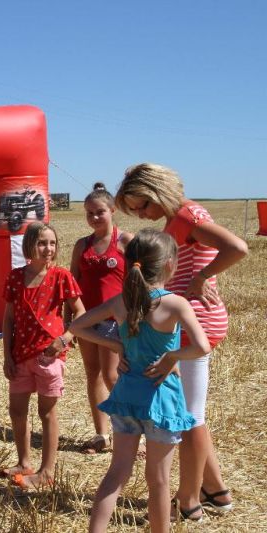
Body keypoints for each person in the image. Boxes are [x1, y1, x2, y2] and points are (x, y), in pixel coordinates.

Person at [116, 163, 248, 518]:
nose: (142, 213)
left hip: (194, 326)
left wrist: (202, 276)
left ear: (157, 191)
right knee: (189, 412)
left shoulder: (188, 216)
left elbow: (237, 247)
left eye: (143, 205)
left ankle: (189, 501)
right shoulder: (179, 219)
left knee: (190, 417)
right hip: (186, 325)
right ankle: (216, 490)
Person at [70, 229, 211, 532]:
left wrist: (116, 345)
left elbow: (78, 326)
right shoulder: (175, 304)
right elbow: (202, 346)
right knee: (159, 481)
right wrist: (172, 358)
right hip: (162, 401)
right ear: (170, 265)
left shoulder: (120, 302)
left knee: (116, 472)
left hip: (125, 398)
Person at [0, 222, 85, 490]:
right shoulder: (15, 277)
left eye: (52, 243)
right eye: (41, 243)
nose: (48, 248)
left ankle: (47, 471)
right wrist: (7, 356)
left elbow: (81, 313)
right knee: (17, 409)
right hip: (20, 354)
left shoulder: (61, 277)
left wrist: (65, 339)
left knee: (47, 411)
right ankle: (25, 462)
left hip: (49, 355)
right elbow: (9, 319)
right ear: (29, 246)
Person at [69, 183, 133, 454]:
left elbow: (139, 281)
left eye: (99, 212)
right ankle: (101, 435)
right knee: (92, 374)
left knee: (112, 376)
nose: (94, 218)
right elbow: (72, 283)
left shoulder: (125, 241)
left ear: (112, 211)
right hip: (85, 320)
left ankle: (131, 433)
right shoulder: (82, 245)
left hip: (114, 321)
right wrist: (68, 322)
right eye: (89, 213)